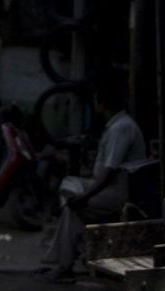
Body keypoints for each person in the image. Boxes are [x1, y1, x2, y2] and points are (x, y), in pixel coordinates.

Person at [42, 82, 150, 280]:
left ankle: (64, 265)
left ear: (102, 104)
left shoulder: (121, 128)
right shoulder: (117, 125)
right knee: (68, 185)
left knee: (72, 208)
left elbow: (110, 172)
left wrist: (86, 196)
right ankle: (77, 251)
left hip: (116, 193)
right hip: (102, 186)